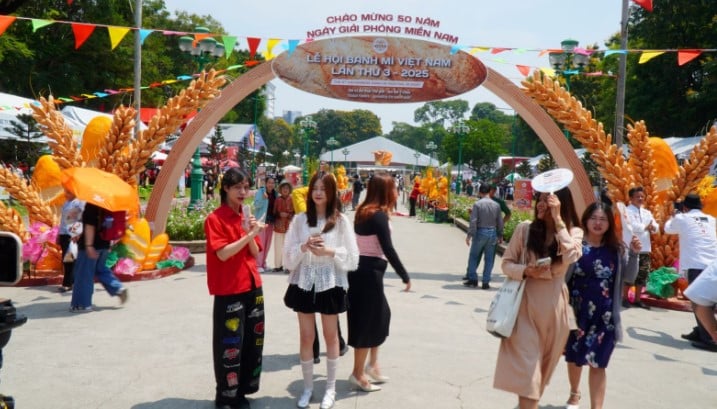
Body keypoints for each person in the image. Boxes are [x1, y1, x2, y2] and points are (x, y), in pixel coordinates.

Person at [494, 187, 582, 409]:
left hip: (555, 309)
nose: (541, 204)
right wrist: (525, 270)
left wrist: (558, 220)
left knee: (541, 373)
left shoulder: (573, 232)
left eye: (548, 200)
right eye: (540, 199)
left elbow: (572, 255)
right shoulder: (524, 230)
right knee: (529, 372)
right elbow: (506, 263)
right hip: (525, 307)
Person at [283, 173, 359, 409]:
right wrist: (304, 247)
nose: (318, 193)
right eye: (315, 188)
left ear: (331, 193)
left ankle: (330, 388)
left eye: (323, 189)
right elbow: (287, 257)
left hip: (330, 282)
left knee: (331, 336)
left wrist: (328, 252)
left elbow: (353, 258)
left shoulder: (341, 221)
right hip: (305, 282)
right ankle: (307, 388)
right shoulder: (300, 220)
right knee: (307, 336)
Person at [564, 201, 640, 409]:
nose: (598, 223)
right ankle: (574, 392)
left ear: (609, 223)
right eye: (594, 218)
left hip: (605, 317)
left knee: (599, 363)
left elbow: (629, 277)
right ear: (586, 220)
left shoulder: (616, 250)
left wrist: (634, 254)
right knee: (574, 358)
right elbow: (563, 277)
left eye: (603, 219)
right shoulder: (576, 246)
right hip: (576, 314)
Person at [204, 167, 266, 409]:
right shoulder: (215, 219)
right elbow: (223, 253)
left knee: (253, 341)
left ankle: (242, 391)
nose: (243, 192)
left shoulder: (245, 216)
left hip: (252, 285)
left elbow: (255, 251)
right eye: (238, 187)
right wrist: (246, 234)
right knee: (229, 344)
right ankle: (226, 396)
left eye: (246, 187)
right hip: (229, 288)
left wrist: (251, 232)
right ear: (226, 189)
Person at [347, 172, 411, 392]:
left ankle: (373, 364)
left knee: (381, 316)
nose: (396, 191)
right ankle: (358, 374)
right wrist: (404, 275)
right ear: (385, 191)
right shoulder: (378, 215)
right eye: (393, 188)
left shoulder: (363, 212)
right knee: (367, 322)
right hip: (369, 273)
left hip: (360, 272)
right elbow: (388, 248)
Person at [664, 193, 717, 351]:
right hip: (713, 263)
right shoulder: (711, 219)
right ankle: (700, 331)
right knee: (707, 302)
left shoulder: (682, 218)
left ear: (685, 207)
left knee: (698, 303)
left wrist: (674, 216)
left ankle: (710, 338)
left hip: (697, 263)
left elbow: (668, 229)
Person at [70, 203, 128, 312]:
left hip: (91, 246)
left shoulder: (92, 205)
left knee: (84, 274)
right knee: (100, 269)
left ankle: (83, 304)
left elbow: (90, 226)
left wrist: (89, 246)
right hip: (104, 244)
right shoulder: (108, 204)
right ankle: (118, 288)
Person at [620, 186, 658, 309]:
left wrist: (653, 228)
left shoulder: (647, 212)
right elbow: (629, 226)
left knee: (642, 274)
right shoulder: (626, 211)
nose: (640, 198)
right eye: (637, 196)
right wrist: (644, 227)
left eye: (642, 196)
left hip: (645, 247)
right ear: (631, 198)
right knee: (630, 274)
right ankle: (625, 298)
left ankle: (637, 299)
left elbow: (655, 225)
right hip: (632, 247)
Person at [463, 184, 504, 289]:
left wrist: (469, 235)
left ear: (480, 192)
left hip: (480, 232)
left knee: (474, 256)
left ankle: (473, 279)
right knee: (489, 259)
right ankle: (486, 281)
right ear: (489, 191)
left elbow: (473, 221)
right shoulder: (496, 205)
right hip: (493, 232)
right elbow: (500, 222)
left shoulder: (477, 204)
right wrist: (500, 235)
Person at [684, 261, 717, 346]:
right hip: (699, 263)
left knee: (699, 300)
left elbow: (700, 303)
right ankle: (702, 332)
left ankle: (709, 338)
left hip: (698, 263)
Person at [57, 189, 85, 292]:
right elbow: (63, 220)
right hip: (64, 233)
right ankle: (72, 281)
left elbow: (82, 219)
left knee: (69, 259)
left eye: (68, 192)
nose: (66, 194)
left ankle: (68, 283)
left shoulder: (79, 203)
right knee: (67, 259)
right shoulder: (66, 203)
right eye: (65, 191)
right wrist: (59, 234)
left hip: (73, 235)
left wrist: (77, 233)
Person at [253, 176, 278, 272]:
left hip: (271, 221)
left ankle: (263, 263)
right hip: (261, 221)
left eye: (273, 183)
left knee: (267, 244)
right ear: (266, 183)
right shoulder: (260, 192)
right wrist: (263, 199)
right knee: (261, 243)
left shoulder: (275, 194)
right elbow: (256, 205)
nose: (271, 184)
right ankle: (258, 264)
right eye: (269, 182)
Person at [272, 180, 295, 273]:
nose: (285, 190)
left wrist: (288, 215)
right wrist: (279, 214)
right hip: (279, 226)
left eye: (287, 188)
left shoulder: (292, 199)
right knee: (278, 247)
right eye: (283, 188)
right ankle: (278, 266)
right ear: (280, 190)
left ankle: (289, 266)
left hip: (290, 226)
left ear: (289, 190)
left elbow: (296, 212)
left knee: (289, 247)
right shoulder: (277, 200)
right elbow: (273, 212)